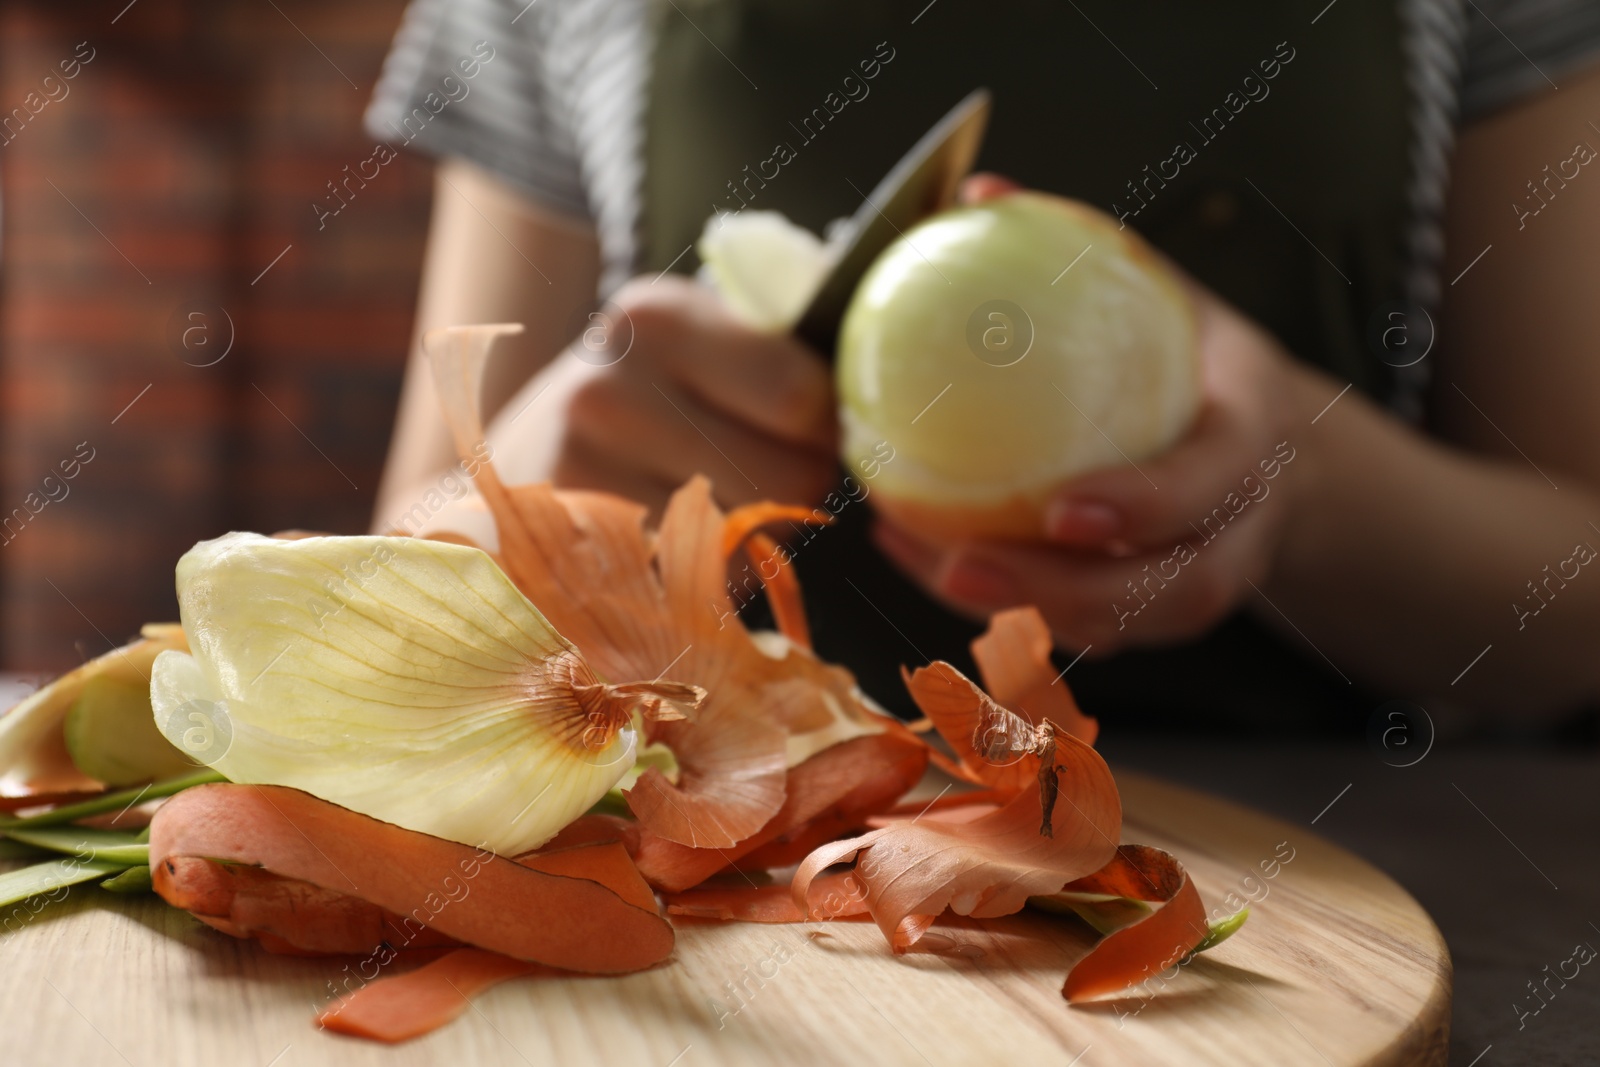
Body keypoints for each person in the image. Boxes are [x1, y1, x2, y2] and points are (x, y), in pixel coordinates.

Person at [364, 0, 1600, 733]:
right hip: (721, 886)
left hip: (1371, 897)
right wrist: (503, 520)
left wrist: (1307, 484)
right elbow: (396, 578)